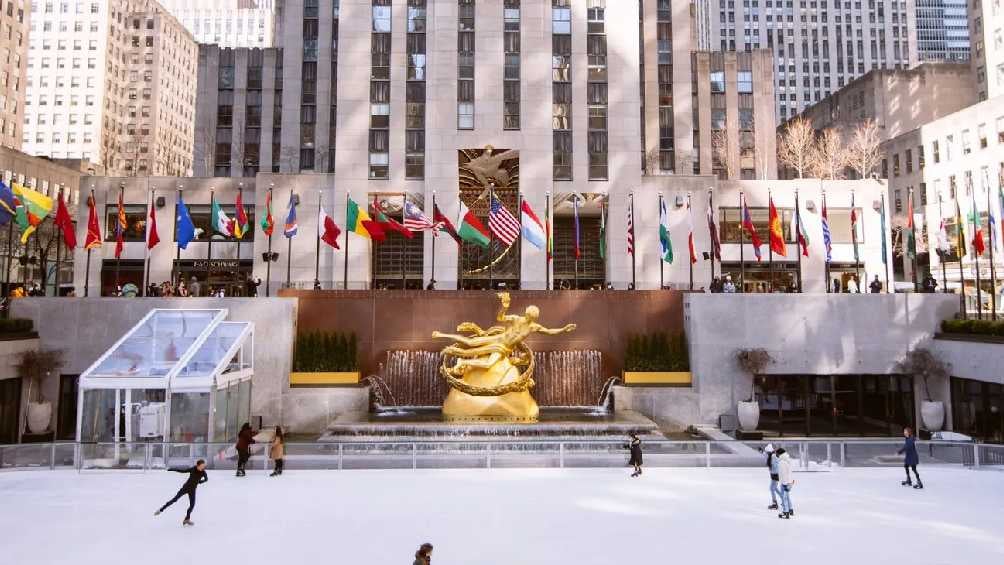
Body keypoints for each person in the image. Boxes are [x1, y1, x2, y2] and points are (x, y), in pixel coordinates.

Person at [155, 459, 208, 526]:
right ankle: (161, 510)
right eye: (202, 466)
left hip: (192, 490)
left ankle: (187, 519)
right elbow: (182, 471)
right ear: (198, 465)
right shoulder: (193, 469)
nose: (203, 467)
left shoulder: (203, 472)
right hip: (185, 488)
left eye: (204, 466)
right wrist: (172, 469)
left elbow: (206, 479)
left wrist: (199, 482)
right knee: (174, 499)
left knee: (192, 505)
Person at [776, 447, 795, 518]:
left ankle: (785, 512)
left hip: (785, 482)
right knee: (787, 496)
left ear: (779, 453)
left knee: (784, 498)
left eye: (777, 453)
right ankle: (790, 509)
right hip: (789, 481)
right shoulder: (787, 460)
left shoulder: (782, 462)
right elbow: (789, 473)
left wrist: (784, 484)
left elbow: (783, 474)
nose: (776, 455)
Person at [763, 443, 781, 510]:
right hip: (774, 474)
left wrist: (772, 468)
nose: (766, 453)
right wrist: (761, 451)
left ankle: (775, 503)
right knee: (774, 488)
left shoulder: (773, 457)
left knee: (772, 488)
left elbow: (776, 466)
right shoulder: (770, 456)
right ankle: (783, 499)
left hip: (775, 474)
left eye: (767, 452)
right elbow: (764, 454)